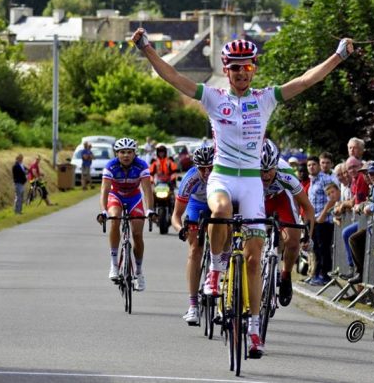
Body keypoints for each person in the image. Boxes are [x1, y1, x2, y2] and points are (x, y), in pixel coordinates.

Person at [131, 27, 353, 357]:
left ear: (254, 68)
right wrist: (146, 47)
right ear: (226, 69)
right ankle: (216, 270)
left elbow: (306, 81)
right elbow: (174, 77)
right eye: (235, 67)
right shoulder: (213, 97)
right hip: (221, 176)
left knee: (253, 259)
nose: (241, 73)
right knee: (219, 211)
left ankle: (252, 329)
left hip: (251, 181)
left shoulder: (264, 99)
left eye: (247, 66)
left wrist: (339, 56)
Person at [260, 139, 315, 305]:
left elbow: (308, 208)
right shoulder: (248, 172)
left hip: (280, 198)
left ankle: (285, 275)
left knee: (292, 240)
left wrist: (307, 236)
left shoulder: (286, 174)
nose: (266, 175)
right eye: (261, 170)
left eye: (270, 170)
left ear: (276, 165)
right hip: (257, 198)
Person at [97, 138, 156, 291]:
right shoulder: (110, 166)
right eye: (122, 152)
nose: (126, 155)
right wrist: (103, 210)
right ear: (117, 154)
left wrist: (149, 210)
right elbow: (105, 190)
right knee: (115, 219)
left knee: (137, 235)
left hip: (134, 198)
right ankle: (114, 264)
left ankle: (139, 272)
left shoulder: (141, 165)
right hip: (116, 195)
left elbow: (147, 189)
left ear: (134, 153)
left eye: (129, 152)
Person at [171, 146, 216, 324]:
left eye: (210, 168)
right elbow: (176, 215)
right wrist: (180, 229)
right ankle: (193, 305)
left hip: (217, 206)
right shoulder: (190, 179)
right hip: (196, 207)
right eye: (202, 168)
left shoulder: (224, 176)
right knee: (194, 251)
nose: (206, 172)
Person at [306, 155, 339, 286]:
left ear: (318, 166)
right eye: (309, 165)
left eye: (314, 164)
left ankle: (324, 275)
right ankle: (316, 273)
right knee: (316, 248)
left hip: (324, 220)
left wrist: (323, 214)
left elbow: (333, 198)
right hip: (314, 220)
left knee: (324, 248)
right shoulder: (312, 181)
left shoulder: (325, 179)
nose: (311, 167)